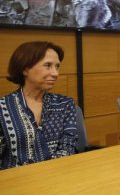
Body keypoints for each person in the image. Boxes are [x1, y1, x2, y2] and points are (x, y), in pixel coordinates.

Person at [0, 41, 78, 169]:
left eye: (57, 66)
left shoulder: (65, 104)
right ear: (25, 69)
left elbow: (67, 147)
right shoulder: (3, 107)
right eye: (47, 65)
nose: (55, 73)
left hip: (57, 175)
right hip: (15, 181)